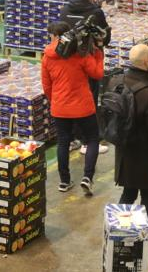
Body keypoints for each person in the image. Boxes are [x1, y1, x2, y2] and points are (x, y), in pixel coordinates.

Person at [41, 21, 104, 195]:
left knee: (63, 142)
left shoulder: (46, 57)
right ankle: (87, 177)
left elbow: (46, 85)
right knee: (92, 139)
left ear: (55, 36)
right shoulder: (80, 54)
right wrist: (98, 54)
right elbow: (97, 74)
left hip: (60, 107)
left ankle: (64, 181)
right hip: (83, 106)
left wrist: (56, 101)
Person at [114, 44, 148, 255]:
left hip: (124, 152)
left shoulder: (118, 82)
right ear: (145, 62)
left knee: (128, 193)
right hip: (145, 156)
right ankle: (146, 242)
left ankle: (118, 235)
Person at [60, 0, 111, 155]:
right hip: (88, 60)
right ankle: (87, 142)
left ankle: (71, 140)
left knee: (71, 97)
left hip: (68, 61)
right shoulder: (95, 12)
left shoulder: (65, 10)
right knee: (89, 99)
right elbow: (105, 36)